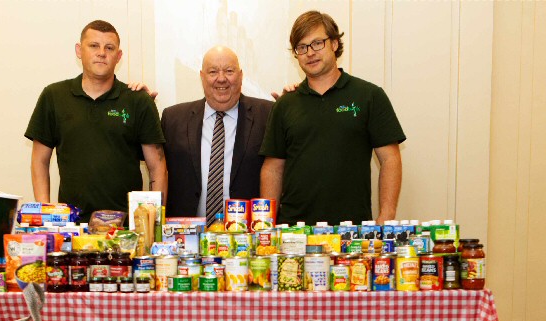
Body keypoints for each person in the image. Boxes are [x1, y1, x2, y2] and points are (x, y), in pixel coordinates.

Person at [260, 11, 406, 226]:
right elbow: (273, 168)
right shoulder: (285, 104)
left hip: (351, 231)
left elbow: (390, 159)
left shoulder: (369, 96)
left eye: (317, 43)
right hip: (293, 231)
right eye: (302, 47)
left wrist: (386, 216)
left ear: (335, 44)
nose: (310, 53)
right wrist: (266, 223)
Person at [25, 20, 167, 221]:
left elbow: (158, 168)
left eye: (109, 48)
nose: (102, 53)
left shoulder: (138, 100)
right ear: (79, 50)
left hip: (126, 231)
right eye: (94, 46)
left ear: (118, 56)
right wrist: (45, 216)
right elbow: (39, 161)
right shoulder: (54, 96)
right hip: (70, 227)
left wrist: (154, 225)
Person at [160, 46, 273, 221]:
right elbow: (152, 162)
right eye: (213, 72)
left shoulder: (268, 114)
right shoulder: (173, 118)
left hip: (247, 236)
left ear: (241, 75)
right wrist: (139, 107)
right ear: (202, 77)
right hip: (186, 238)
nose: (221, 79)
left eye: (229, 71)